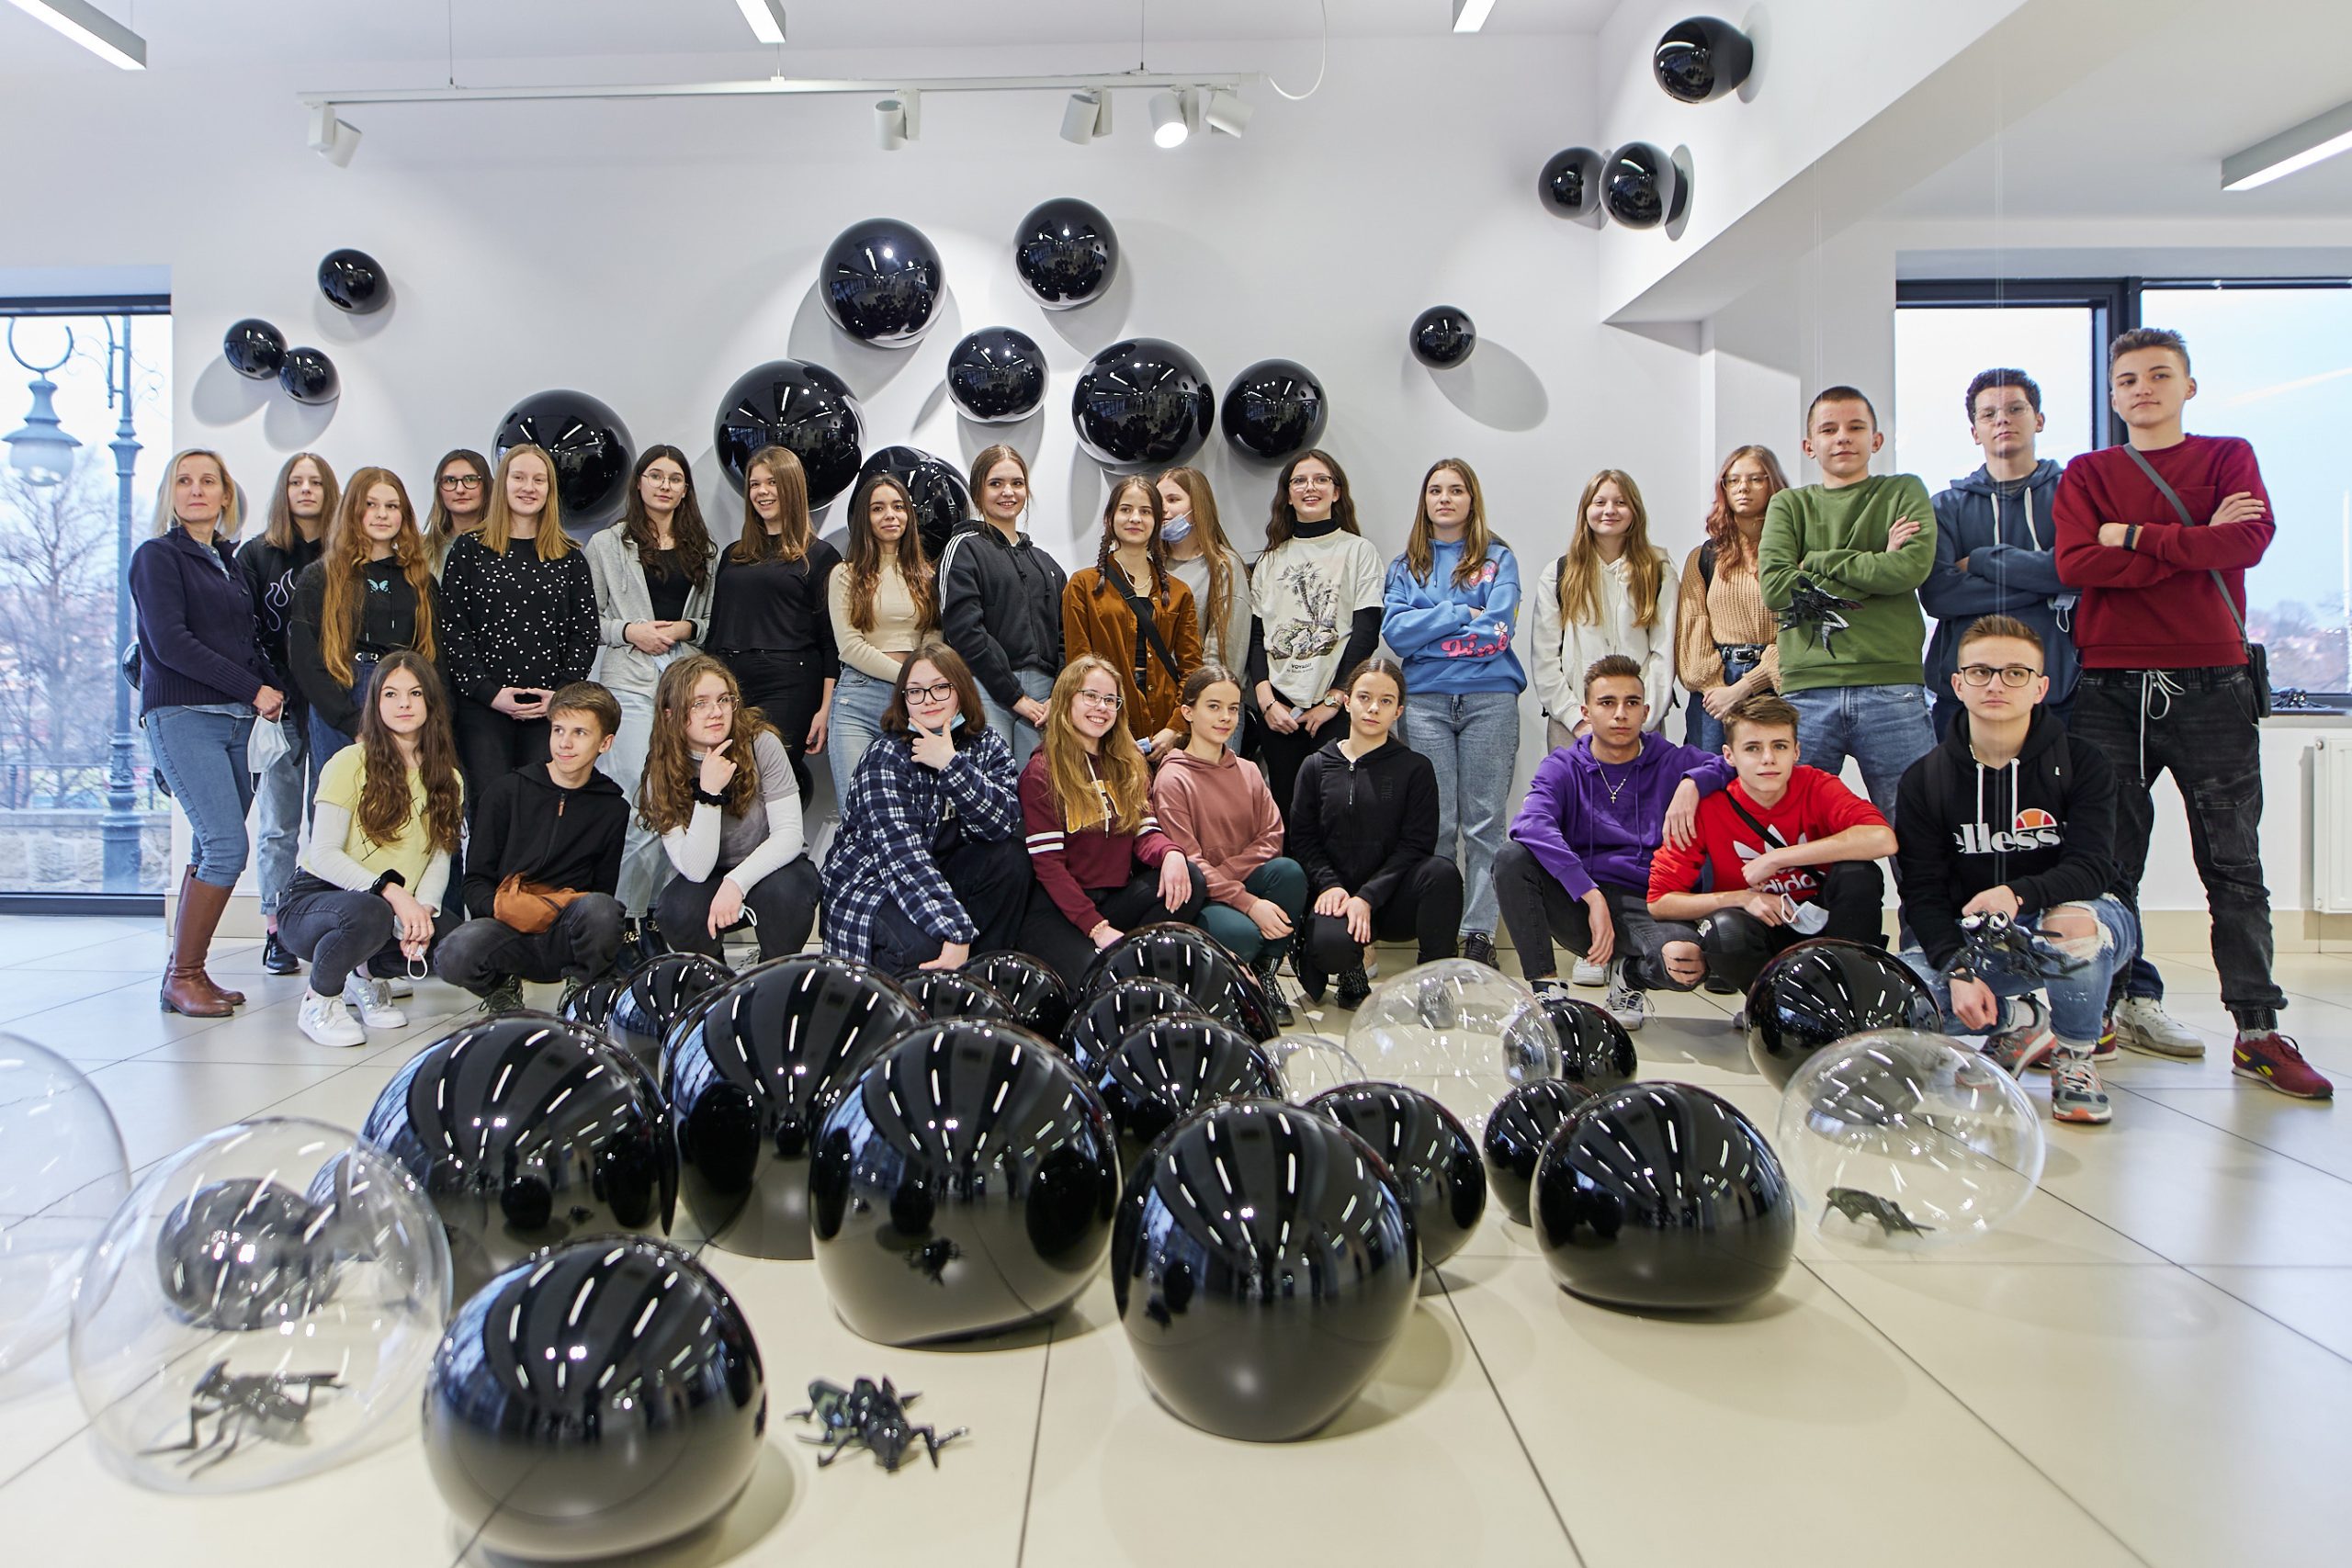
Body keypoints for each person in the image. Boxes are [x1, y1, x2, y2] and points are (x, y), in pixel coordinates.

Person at [2055, 327, 2328, 1100]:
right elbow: (2077, 562)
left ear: (2188, 386)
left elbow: (2247, 543)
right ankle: (2100, 1013)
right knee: (2109, 863)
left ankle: (2257, 1031)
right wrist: (2194, 540)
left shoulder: (2227, 457)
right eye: (2128, 379)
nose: (2143, 388)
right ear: (2113, 395)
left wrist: (2135, 537)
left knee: (2234, 865)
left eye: (2159, 375)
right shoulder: (2089, 472)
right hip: (2109, 687)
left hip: (2215, 683)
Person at [1894, 615, 2139, 1125]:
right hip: (1978, 939)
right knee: (1895, 1007)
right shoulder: (1925, 779)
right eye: (1980, 672)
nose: (1996, 685)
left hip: (2079, 922)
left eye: (2015, 673)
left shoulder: (2083, 762)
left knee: (2071, 926)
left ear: (2040, 688)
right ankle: (2020, 1020)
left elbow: (2094, 867)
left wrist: (2017, 894)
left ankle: (2074, 1055)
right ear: (1957, 684)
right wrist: (1958, 970)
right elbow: (1922, 892)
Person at [130, 449, 285, 1018]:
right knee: (226, 847)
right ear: (170, 494)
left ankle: (187, 975)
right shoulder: (157, 557)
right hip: (183, 715)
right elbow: (170, 644)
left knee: (209, 846)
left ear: (226, 494)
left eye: (208, 481)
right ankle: (183, 977)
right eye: (184, 480)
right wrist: (252, 688)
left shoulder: (228, 563)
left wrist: (273, 688)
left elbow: (245, 644)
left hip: (237, 722)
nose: (196, 490)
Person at [1493, 655, 1724, 1030]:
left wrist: (1693, 782)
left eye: (1631, 703)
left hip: (1649, 902)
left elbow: (1734, 766)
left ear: (1645, 712)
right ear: (1586, 712)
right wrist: (1590, 894)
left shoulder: (1673, 761)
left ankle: (1629, 976)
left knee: (1685, 964)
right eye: (1607, 703)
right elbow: (1530, 825)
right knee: (1512, 858)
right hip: (1582, 905)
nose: (1620, 714)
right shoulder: (1564, 765)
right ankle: (1546, 990)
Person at [1757, 386, 1938, 827]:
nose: (1842, 437)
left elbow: (1909, 570)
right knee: (1793, 829)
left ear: (1876, 439)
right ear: (1809, 445)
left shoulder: (1902, 490)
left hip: (1892, 686)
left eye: (1855, 427)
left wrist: (1817, 560)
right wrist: (1877, 563)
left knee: (1916, 828)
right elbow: (1777, 590)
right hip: (1807, 688)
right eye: (1829, 429)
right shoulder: (1789, 505)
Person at [1646, 693, 1894, 998]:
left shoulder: (1817, 785)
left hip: (1825, 921)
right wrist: (1741, 898)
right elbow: (1660, 902)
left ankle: (1850, 995)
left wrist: (1777, 858)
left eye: (1780, 746)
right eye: (1753, 748)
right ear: (1729, 756)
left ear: (1796, 751)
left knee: (1859, 875)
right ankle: (1772, 1007)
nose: (1768, 758)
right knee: (1724, 930)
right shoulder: (1707, 807)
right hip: (1762, 925)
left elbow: (1882, 838)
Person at [273, 652, 462, 1047]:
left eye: (415, 693)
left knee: (453, 945)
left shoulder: (448, 777)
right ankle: (319, 1000)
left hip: (385, 904)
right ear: (375, 703)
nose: (404, 704)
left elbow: (440, 855)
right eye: (390, 694)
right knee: (371, 912)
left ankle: (365, 979)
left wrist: (423, 911)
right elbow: (324, 854)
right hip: (316, 901)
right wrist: (394, 894)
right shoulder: (349, 762)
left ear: (431, 701)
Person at [1381, 457, 1524, 971]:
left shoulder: (1498, 560)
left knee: (1485, 824)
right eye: (1436, 490)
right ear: (1424, 501)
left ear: (1471, 499)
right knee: (1437, 824)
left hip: (1490, 699)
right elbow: (1396, 635)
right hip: (1424, 703)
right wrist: (1462, 613)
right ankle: (1438, 933)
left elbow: (1498, 634)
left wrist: (1429, 632)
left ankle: (1479, 933)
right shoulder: (1405, 567)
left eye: (1456, 490)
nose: (1445, 498)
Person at [821, 639, 1030, 973]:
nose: (928, 700)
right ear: (904, 700)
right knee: (927, 947)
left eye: (940, 688)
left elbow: (1002, 823)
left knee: (1011, 858)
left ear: (961, 689)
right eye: (915, 691)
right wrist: (954, 929)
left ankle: (980, 975)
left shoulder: (986, 744)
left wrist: (950, 764)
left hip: (940, 872)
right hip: (876, 881)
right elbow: (902, 856)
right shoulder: (885, 756)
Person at [436, 681, 630, 1016]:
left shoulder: (612, 807)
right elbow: (475, 881)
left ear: (605, 743)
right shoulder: (506, 792)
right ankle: (501, 988)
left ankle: (581, 990)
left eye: (580, 733)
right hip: (508, 928)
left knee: (603, 911)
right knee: (453, 953)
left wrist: (555, 910)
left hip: (565, 930)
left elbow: (602, 892)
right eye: (558, 730)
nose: (565, 743)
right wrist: (506, 908)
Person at [1017, 655, 1209, 985]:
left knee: (1189, 879)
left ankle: (1139, 963)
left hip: (1116, 898)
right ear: (1066, 700)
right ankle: (1124, 962)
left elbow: (1145, 832)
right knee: (1100, 981)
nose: (1102, 707)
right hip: (1060, 908)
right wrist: (1097, 928)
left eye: (1110, 700)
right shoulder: (1041, 772)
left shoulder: (1127, 763)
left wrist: (1171, 854)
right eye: (1090, 696)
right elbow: (1048, 866)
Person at [586, 445, 717, 924]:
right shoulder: (606, 544)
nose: (665, 485)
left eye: (675, 478)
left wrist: (687, 628)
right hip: (630, 680)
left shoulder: (704, 549)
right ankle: (624, 920)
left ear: (685, 490)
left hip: (687, 685)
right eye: (656, 475)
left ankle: (664, 917)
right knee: (639, 800)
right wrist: (629, 631)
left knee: (682, 800)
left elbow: (711, 620)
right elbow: (589, 621)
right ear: (639, 482)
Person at [1287, 656, 1464, 1009]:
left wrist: (1368, 896)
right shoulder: (1316, 766)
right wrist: (1330, 885)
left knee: (1442, 873)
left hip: (1392, 900)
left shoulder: (1415, 768)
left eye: (1385, 701)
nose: (1373, 708)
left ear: (1398, 711)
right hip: (1337, 896)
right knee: (1331, 948)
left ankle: (1433, 985)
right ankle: (1348, 968)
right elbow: (1303, 840)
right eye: (1365, 697)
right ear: (1347, 701)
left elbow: (1417, 845)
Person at [439, 444, 598, 818]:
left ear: (550, 489)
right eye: (519, 477)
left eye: (538, 480)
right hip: (483, 708)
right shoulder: (469, 550)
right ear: (503, 484)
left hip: (548, 711)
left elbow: (585, 633)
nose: (529, 487)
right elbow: (453, 630)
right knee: (488, 809)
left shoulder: (570, 558)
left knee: (541, 812)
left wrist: (559, 694)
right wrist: (489, 693)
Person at [1151, 665, 1307, 1022]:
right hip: (1201, 895)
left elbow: (1272, 836)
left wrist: (1228, 874)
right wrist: (1249, 903)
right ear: (1188, 712)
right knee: (1244, 935)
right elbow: (1190, 862)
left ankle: (1266, 974)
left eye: (1233, 708)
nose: (1225, 717)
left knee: (1289, 873)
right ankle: (1230, 984)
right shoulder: (1172, 778)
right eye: (1214, 706)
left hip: (1234, 880)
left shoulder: (1248, 771)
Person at [641, 654, 820, 963]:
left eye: (724, 700)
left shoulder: (761, 742)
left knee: (787, 894)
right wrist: (709, 794)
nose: (716, 712)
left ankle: (773, 973)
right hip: (708, 873)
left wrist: (736, 882)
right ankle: (714, 977)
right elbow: (696, 870)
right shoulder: (660, 771)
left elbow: (789, 836)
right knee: (675, 910)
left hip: (772, 867)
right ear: (670, 714)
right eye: (700, 703)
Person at [236, 452, 335, 976]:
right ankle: (277, 929)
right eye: (296, 481)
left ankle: (326, 924)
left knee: (331, 822)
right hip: (277, 706)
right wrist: (262, 688)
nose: (305, 489)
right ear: (284, 490)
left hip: (332, 705)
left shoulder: (345, 553)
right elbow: (243, 629)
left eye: (315, 481)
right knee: (278, 824)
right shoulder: (257, 555)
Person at [1248, 448, 1386, 819]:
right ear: (1287, 495)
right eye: (1300, 481)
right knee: (1287, 811)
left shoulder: (1358, 551)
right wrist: (1266, 701)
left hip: (1335, 704)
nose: (1310, 487)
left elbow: (1366, 632)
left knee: (1336, 813)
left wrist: (1334, 700)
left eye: (1321, 480)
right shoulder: (1270, 560)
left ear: (1336, 492)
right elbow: (1256, 636)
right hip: (1278, 710)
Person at [707, 446, 839, 802]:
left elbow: (831, 642)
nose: (762, 492)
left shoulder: (820, 556)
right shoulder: (733, 555)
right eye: (755, 484)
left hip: (789, 686)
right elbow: (715, 630)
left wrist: (825, 710)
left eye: (772, 483)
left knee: (764, 789)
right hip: (729, 686)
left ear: (791, 487)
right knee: (723, 787)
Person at [287, 467, 440, 765]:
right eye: (371, 505)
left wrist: (437, 716)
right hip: (340, 696)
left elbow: (436, 659)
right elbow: (305, 659)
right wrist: (351, 722)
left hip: (404, 697)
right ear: (352, 510)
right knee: (341, 789)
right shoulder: (320, 577)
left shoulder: (420, 580)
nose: (382, 514)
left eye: (391, 506)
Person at [1531, 469, 1678, 749]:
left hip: (1641, 726)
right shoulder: (1559, 574)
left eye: (1621, 502)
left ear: (1635, 511)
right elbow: (1545, 659)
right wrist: (1577, 720)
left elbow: (1663, 654)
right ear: (1585, 510)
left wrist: (1642, 719)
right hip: (1573, 725)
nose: (1610, 510)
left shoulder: (1659, 573)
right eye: (1600, 502)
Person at [938, 445, 1065, 769]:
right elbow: (964, 631)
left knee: (1038, 791)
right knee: (990, 789)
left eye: (1017, 483)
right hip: (986, 690)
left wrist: (1059, 693)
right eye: (996, 483)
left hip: (1045, 700)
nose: (1008, 492)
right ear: (978, 491)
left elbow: (1066, 633)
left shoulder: (1047, 564)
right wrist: (1014, 696)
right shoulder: (963, 548)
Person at [1063, 476, 1202, 758]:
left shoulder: (1179, 592)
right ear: (1109, 518)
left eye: (1145, 511)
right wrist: (1111, 729)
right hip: (1104, 723)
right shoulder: (1083, 585)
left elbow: (1191, 669)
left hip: (1164, 725)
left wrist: (1175, 728)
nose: (1135, 518)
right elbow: (1079, 666)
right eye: (1126, 509)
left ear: (1157, 522)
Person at [827, 471, 935, 807]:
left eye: (898, 507)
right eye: (878, 508)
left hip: (915, 702)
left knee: (913, 810)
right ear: (865, 518)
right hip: (858, 701)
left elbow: (933, 639)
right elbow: (850, 647)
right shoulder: (845, 574)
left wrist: (917, 687)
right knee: (858, 812)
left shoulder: (928, 575)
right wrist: (910, 680)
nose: (890, 515)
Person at [1676, 446, 1789, 754]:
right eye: (1733, 480)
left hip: (1775, 684)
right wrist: (1718, 690)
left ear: (1773, 484)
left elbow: (1797, 632)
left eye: (1756, 479)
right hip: (1714, 691)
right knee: (1709, 776)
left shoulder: (1794, 554)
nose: (1743, 487)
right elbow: (1692, 628)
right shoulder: (1704, 557)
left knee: (1770, 775)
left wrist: (1746, 687)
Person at [1158, 466, 1252, 675]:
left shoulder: (1224, 565)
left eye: (1173, 500)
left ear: (1197, 505)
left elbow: (1225, 650)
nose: (1162, 508)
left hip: (1199, 688)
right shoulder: (1149, 565)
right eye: (1157, 501)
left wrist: (1202, 691)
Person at [423, 447, 491, 577]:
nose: (460, 490)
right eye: (450, 481)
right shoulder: (421, 551)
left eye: (470, 479)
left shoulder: (507, 545)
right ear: (439, 490)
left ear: (487, 485)